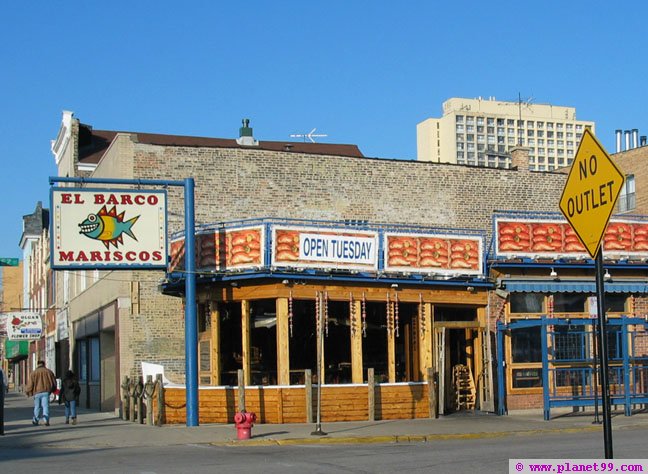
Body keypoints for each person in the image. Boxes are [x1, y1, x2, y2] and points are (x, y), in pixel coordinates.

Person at [25, 360, 57, 426]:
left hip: (37, 392)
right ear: (44, 364)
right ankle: (46, 420)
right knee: (45, 406)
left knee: (37, 407)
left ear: (38, 364)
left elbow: (30, 384)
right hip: (46, 392)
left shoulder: (33, 373)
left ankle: (35, 420)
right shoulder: (49, 372)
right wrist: (53, 389)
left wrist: (28, 391)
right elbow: (54, 382)